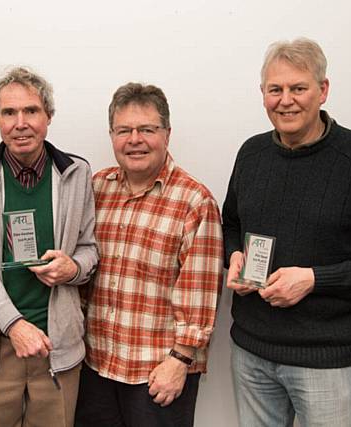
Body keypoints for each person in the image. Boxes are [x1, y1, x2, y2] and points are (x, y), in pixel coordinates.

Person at [223, 37, 351, 427]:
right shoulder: (250, 154)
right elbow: (232, 223)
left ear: (323, 90)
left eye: (298, 88)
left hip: (326, 364)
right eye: (275, 89)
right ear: (263, 94)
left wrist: (314, 280)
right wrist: (234, 254)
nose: (285, 100)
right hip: (251, 353)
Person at [0, 66, 98, 427]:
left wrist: (73, 268)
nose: (20, 122)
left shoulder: (76, 172)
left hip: (57, 348)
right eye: (8, 112)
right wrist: (14, 325)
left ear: (48, 116)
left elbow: (89, 248)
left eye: (31, 111)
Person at [76, 83, 224, 427]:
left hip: (158, 373)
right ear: (111, 135)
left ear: (167, 134)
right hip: (96, 366)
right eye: (124, 130)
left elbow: (200, 294)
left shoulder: (194, 201)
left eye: (147, 129)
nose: (134, 139)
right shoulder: (96, 188)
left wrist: (180, 361)